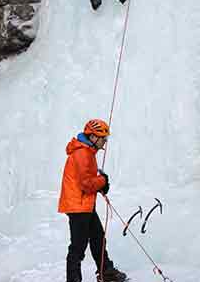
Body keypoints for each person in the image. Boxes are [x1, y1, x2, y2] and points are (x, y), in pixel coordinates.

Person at [58, 119, 127, 282]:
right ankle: (74, 279)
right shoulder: (83, 154)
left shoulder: (87, 152)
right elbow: (86, 184)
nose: (105, 142)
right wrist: (102, 180)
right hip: (78, 206)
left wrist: (100, 182)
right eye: (103, 138)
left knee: (97, 236)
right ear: (93, 137)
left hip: (84, 205)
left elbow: (87, 180)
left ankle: (106, 271)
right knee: (78, 246)